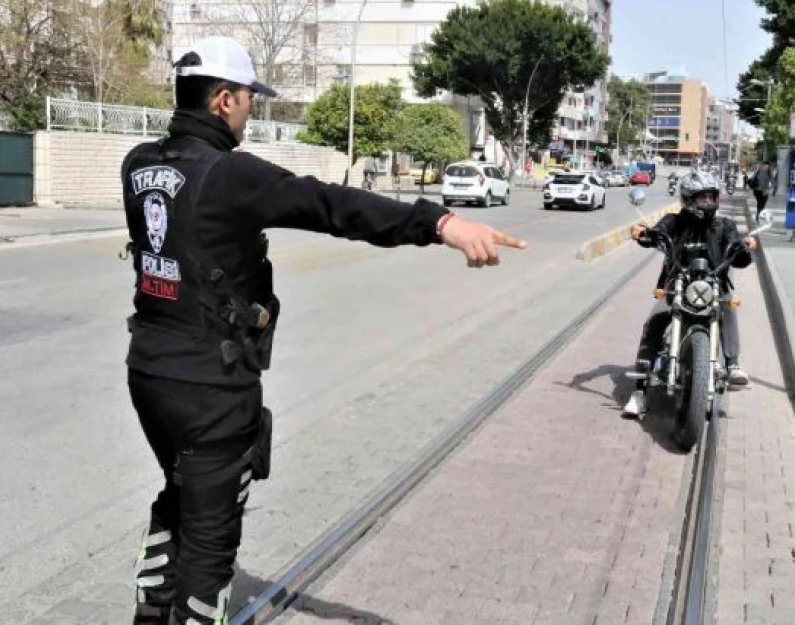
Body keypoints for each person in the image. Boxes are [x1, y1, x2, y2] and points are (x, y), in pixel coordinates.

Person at [121, 36, 525, 625]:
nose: (250, 112)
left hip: (150, 374)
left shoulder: (139, 164)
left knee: (179, 498)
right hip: (212, 384)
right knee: (211, 541)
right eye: (247, 100)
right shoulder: (231, 175)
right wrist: (436, 222)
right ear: (223, 100)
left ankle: (151, 612)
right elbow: (328, 204)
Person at [622, 170, 757, 418]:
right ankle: (640, 391)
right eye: (701, 197)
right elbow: (656, 234)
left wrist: (745, 248)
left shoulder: (724, 226)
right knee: (656, 320)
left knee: (727, 308)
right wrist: (642, 233)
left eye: (711, 196)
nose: (707, 202)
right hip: (678, 285)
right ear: (688, 198)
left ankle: (733, 364)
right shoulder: (673, 222)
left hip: (714, 286)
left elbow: (740, 259)